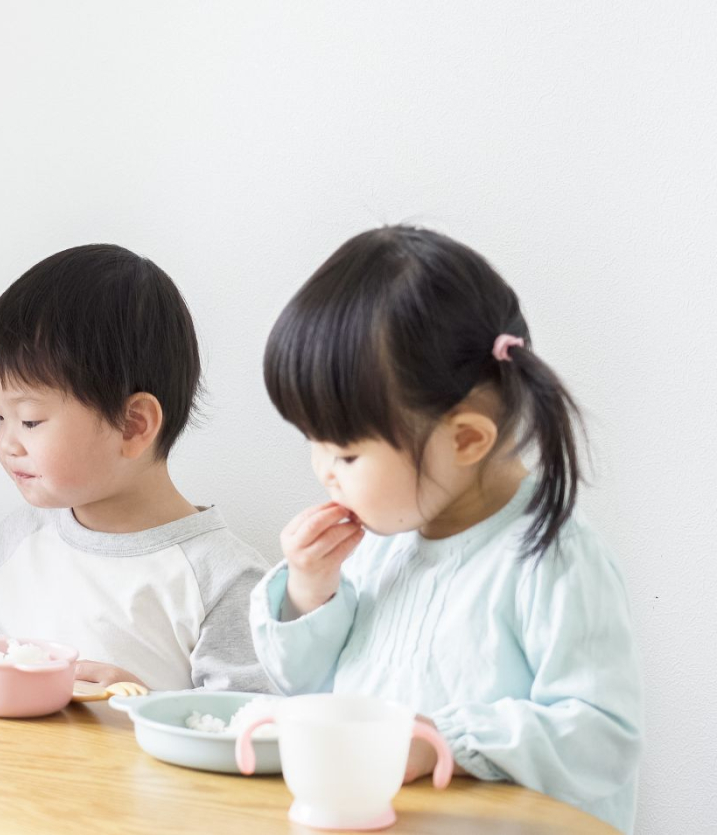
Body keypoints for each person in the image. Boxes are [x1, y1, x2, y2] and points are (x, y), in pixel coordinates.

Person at [249, 225, 641, 832]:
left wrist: (445, 741)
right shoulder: (382, 544)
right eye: (313, 443)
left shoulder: (552, 558)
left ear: (465, 439)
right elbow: (311, 692)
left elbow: (600, 738)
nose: (323, 472)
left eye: (346, 454)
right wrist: (310, 591)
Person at [0, 244, 269, 692]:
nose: (6, 443)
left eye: (29, 420)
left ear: (132, 425)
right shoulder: (17, 540)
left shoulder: (224, 580)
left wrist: (144, 708)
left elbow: (249, 732)